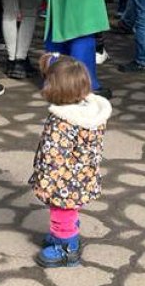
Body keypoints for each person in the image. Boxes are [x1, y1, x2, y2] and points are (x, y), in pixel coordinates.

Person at [29, 53, 111, 268]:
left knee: (62, 210)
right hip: (82, 175)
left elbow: (53, 155)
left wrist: (45, 182)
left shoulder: (63, 122)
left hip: (63, 181)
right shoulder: (90, 113)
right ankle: (64, 236)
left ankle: (67, 249)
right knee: (69, 211)